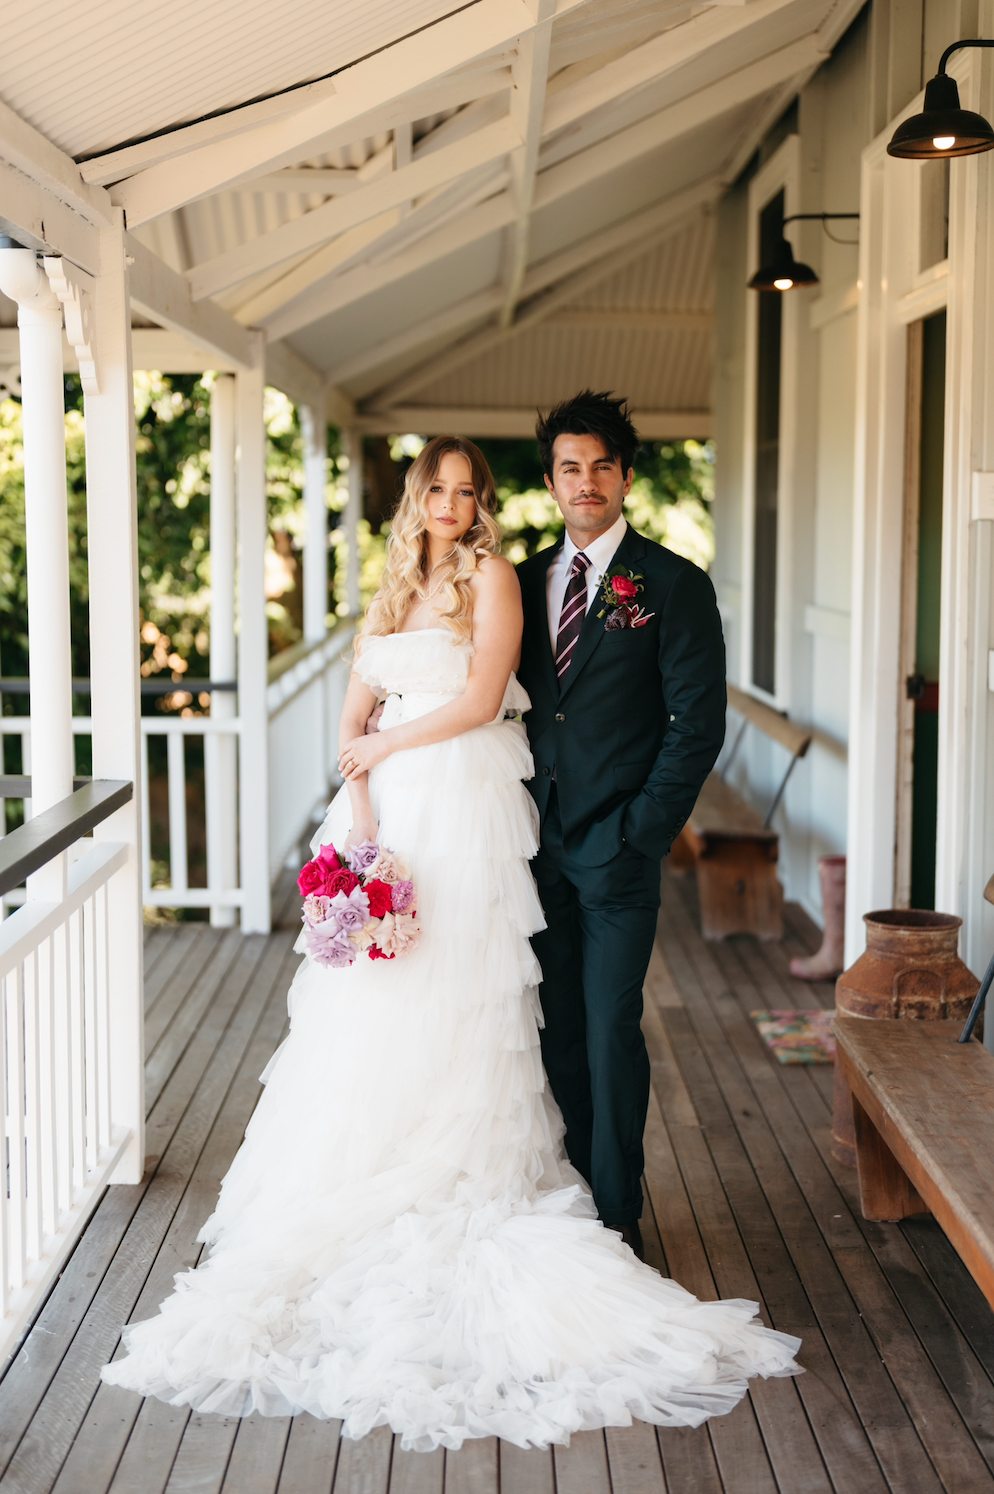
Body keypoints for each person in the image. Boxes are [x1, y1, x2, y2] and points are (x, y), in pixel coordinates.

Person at [101, 436, 799, 1450]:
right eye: (439, 489)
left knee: (482, 994)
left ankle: (584, 1202)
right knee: (375, 999)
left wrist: (383, 743)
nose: (454, 505)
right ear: (415, 496)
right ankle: (368, 1171)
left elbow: (478, 699)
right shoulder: (393, 582)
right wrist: (360, 790)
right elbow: (355, 700)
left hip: (463, 806)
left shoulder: (494, 576)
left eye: (469, 492)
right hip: (386, 812)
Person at [516, 392, 727, 1261]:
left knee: (609, 1025)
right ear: (553, 481)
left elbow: (697, 724)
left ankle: (616, 1213)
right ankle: (568, 1191)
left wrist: (643, 829)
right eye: (572, 466)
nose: (587, 481)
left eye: (603, 465)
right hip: (532, 845)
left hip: (620, 850)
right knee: (554, 1024)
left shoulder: (673, 584)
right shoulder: (524, 582)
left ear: (627, 477)